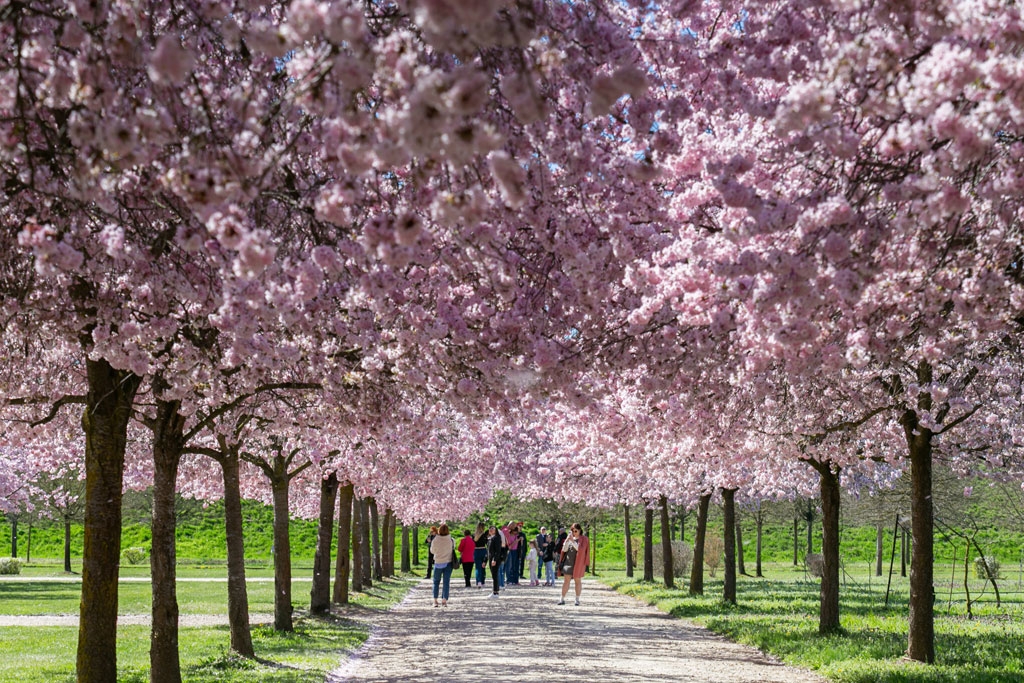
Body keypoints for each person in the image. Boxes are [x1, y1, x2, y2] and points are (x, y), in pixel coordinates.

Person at [558, 523, 590, 606]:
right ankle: (562, 599)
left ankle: (577, 599)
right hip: (568, 563)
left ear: (580, 530)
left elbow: (581, 550)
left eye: (576, 531)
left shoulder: (584, 539)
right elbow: (564, 550)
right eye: (572, 531)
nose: (574, 532)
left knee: (577, 581)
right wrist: (567, 541)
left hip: (578, 564)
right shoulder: (570, 538)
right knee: (566, 581)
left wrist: (573, 541)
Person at [430, 524, 457, 607]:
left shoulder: (435, 540)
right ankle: (444, 600)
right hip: (448, 563)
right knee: (446, 582)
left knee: (436, 582)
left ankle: (435, 600)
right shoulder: (451, 540)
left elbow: (432, 551)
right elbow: (453, 548)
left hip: (438, 562)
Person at [486, 525, 504, 598]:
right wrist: (485, 561)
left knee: (495, 575)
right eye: (490, 528)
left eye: (493, 529)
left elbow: (498, 551)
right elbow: (488, 551)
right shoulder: (490, 538)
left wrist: (494, 559)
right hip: (491, 558)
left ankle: (495, 592)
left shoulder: (496, 538)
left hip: (495, 559)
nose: (491, 530)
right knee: (494, 575)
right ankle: (495, 591)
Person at [472, 522, 488, 587]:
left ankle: (478, 581)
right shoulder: (484, 535)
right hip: (483, 550)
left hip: (476, 551)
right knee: (483, 566)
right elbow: (487, 543)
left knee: (478, 567)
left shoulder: (474, 535)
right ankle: (483, 581)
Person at [504, 521, 520, 585]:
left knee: (514, 565)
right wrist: (515, 542)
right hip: (511, 551)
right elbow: (510, 546)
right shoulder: (509, 535)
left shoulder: (516, 536)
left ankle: (514, 579)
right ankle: (509, 579)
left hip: (515, 551)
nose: (515, 533)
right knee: (509, 566)